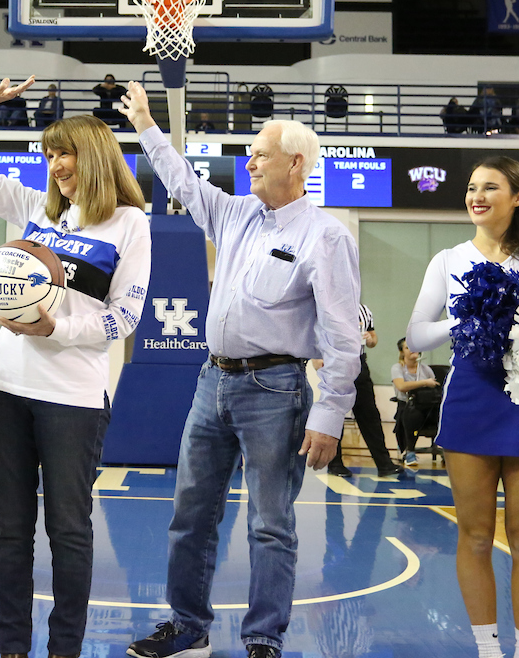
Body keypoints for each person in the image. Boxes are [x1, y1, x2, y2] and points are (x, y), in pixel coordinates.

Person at [121, 81, 362, 658]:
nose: (248, 160)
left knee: (270, 524)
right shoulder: (234, 215)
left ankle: (263, 638)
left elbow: (343, 335)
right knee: (190, 514)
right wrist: (148, 126)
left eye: (260, 152)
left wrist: (330, 414)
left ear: (296, 164)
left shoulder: (326, 236)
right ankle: (188, 628)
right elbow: (180, 179)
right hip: (213, 380)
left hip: (276, 389)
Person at [0, 75, 151, 658]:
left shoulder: (130, 225)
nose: (54, 165)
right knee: (9, 531)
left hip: (73, 397)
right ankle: (13, 649)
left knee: (69, 531)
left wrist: (57, 328)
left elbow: (124, 318)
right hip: (4, 387)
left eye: (64, 152)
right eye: (49, 154)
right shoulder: (34, 211)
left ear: (93, 156)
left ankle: (64, 650)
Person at [407, 155, 519, 658]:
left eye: (490, 187)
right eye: (470, 187)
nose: (476, 196)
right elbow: (417, 333)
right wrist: (467, 322)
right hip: (472, 399)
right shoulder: (448, 259)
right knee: (477, 534)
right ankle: (488, 650)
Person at [327, 304, 397, 477]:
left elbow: (373, 338)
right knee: (336, 414)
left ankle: (384, 463)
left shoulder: (364, 310)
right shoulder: (329, 305)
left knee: (370, 414)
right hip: (336, 363)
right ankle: (335, 463)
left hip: (358, 363)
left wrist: (370, 339)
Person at [391, 337, 441, 466]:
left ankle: (448, 450)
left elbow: (435, 387)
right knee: (413, 413)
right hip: (408, 405)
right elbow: (401, 386)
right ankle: (410, 452)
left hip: (428, 405)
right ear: (402, 352)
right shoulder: (397, 368)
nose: (413, 350)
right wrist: (424, 382)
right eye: (408, 348)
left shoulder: (426, 369)